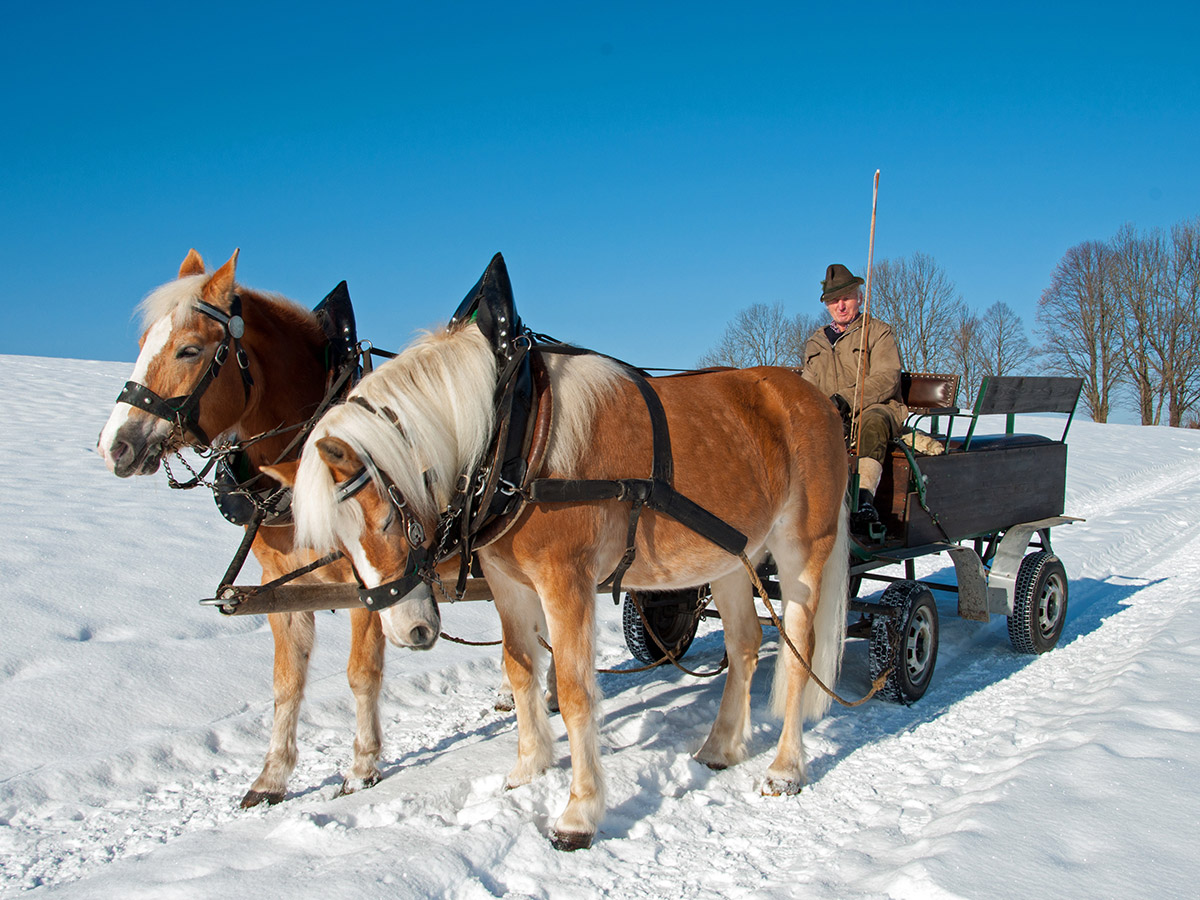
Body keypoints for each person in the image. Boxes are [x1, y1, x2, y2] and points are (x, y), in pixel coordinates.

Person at [801, 263, 907, 537]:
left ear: (859, 297)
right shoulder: (816, 342)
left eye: (847, 297)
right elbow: (808, 386)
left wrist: (846, 400)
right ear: (827, 305)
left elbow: (887, 377)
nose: (841, 305)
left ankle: (863, 501)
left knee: (873, 420)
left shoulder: (878, 332)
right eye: (834, 300)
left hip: (874, 409)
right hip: (830, 415)